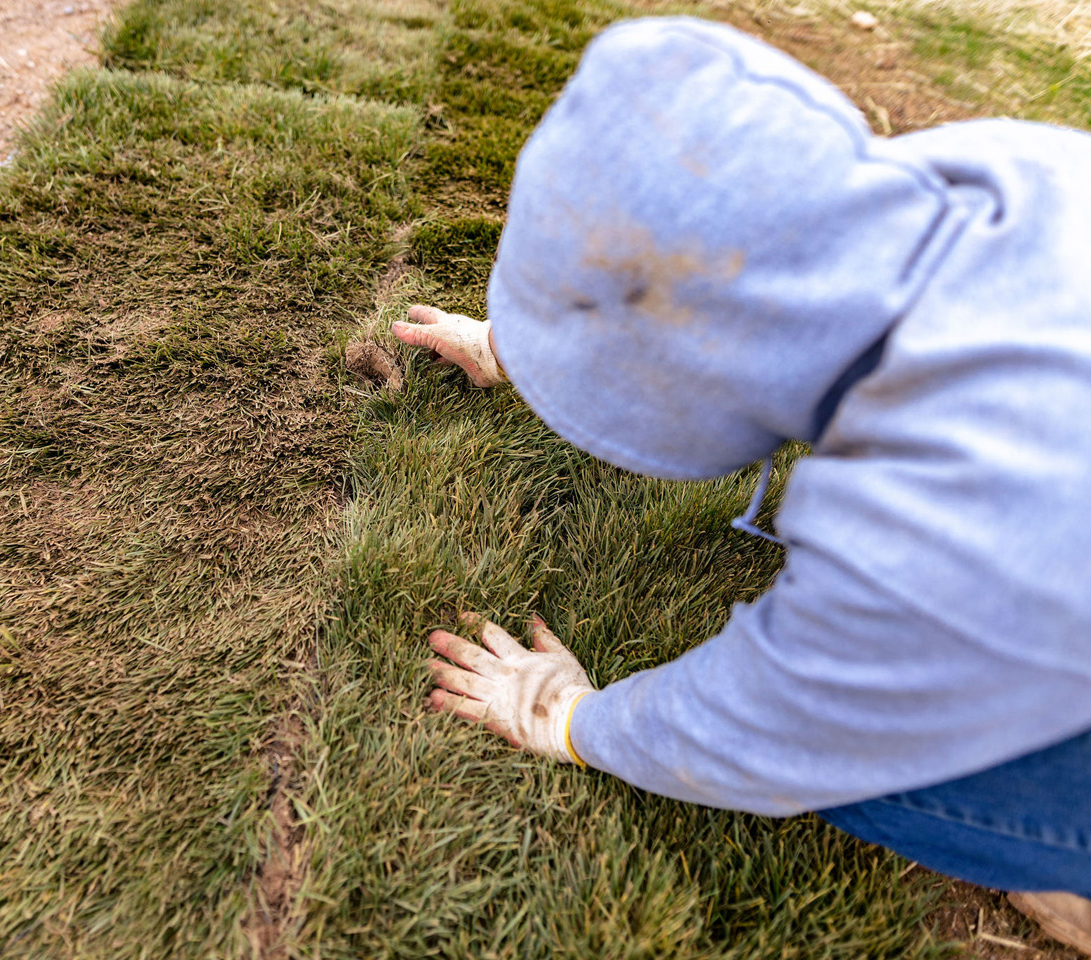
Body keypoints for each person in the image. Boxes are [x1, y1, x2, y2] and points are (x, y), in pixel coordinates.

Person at [392, 17, 1091, 953]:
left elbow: (762, 730)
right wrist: (537, 341)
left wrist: (567, 718)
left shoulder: (940, 524)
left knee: (878, 765)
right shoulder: (996, 172)